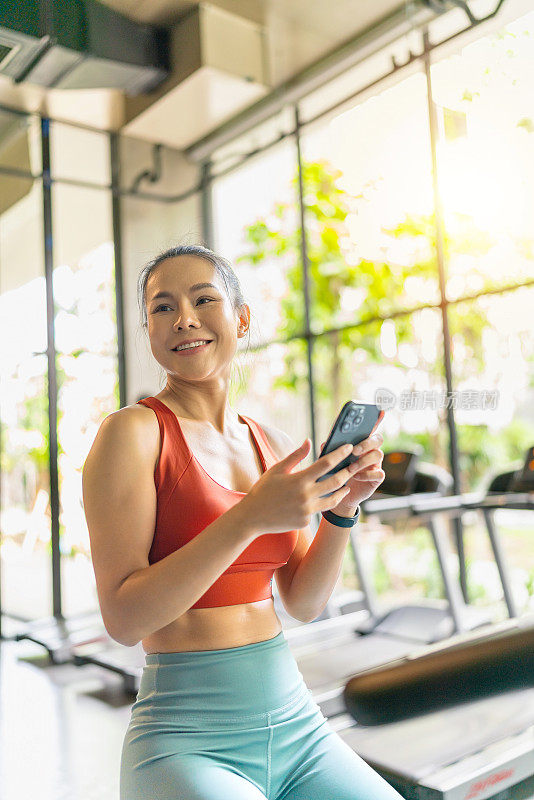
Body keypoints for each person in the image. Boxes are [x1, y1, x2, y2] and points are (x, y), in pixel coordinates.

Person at [82, 244, 403, 800]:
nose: (183, 317)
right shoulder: (131, 433)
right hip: (186, 738)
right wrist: (250, 517)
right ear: (150, 331)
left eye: (203, 299)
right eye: (162, 308)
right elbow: (124, 618)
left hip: (297, 723)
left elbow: (302, 602)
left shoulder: (272, 445)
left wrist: (343, 510)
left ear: (242, 318)